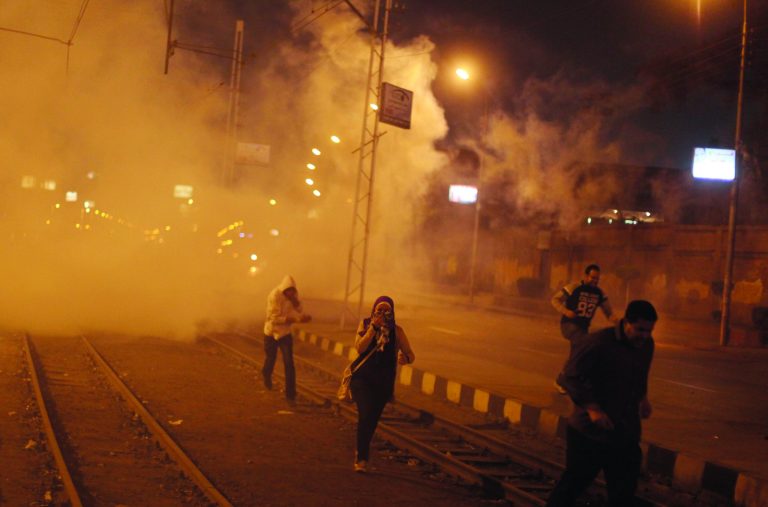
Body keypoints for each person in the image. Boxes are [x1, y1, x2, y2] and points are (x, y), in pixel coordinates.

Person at [546, 300, 657, 507]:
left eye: (649, 331)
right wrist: (593, 409)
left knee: (624, 491)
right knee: (573, 485)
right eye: (640, 329)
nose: (645, 336)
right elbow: (568, 377)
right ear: (626, 322)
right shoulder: (598, 343)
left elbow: (640, 374)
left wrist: (643, 397)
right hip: (589, 432)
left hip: (624, 431)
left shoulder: (646, 345)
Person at [350, 296, 415, 473]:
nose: (383, 314)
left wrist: (405, 358)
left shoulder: (397, 332)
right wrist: (373, 328)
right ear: (373, 311)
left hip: (383, 384)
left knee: (371, 421)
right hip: (362, 380)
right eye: (379, 310)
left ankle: (361, 450)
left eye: (387, 311)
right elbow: (359, 348)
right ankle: (362, 458)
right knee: (365, 414)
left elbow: (410, 354)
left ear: (392, 313)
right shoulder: (365, 324)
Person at [551, 264, 617, 393]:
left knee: (580, 353)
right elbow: (555, 299)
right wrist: (566, 311)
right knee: (582, 347)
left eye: (597, 278)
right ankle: (565, 380)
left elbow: (608, 311)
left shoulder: (599, 293)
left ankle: (567, 380)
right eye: (592, 277)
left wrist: (617, 321)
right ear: (586, 276)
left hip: (583, 328)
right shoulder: (574, 287)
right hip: (569, 325)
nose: (595, 280)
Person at [262, 275, 311, 404]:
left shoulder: (294, 296)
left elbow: (300, 309)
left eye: (293, 291)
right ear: (284, 290)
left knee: (289, 363)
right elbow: (274, 318)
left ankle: (291, 395)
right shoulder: (275, 296)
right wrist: (296, 320)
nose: (291, 293)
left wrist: (296, 303)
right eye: (289, 291)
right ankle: (266, 374)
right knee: (270, 359)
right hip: (271, 332)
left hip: (285, 333)